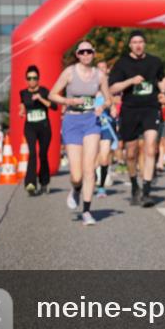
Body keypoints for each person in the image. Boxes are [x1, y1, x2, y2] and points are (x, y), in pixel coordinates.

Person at [49, 41, 113, 226]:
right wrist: (69, 101)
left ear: (93, 54)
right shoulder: (69, 72)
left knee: (89, 170)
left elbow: (109, 99)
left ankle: (86, 211)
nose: (86, 55)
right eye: (82, 52)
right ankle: (76, 189)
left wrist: (102, 105)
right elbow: (52, 94)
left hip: (91, 121)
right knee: (76, 175)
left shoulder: (99, 75)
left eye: (89, 52)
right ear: (77, 54)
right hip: (72, 122)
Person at [109, 31, 165, 207]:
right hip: (129, 110)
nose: (138, 45)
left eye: (141, 41)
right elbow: (112, 88)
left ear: (145, 44)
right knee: (132, 152)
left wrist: (163, 92)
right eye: (134, 42)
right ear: (130, 45)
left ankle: (147, 191)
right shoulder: (122, 64)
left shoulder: (154, 61)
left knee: (150, 148)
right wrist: (130, 81)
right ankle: (135, 185)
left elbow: (162, 78)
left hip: (150, 108)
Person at [18, 65, 57, 195]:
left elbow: (54, 106)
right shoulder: (23, 93)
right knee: (32, 153)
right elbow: (22, 105)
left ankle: (44, 182)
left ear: (38, 79)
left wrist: (40, 98)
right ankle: (30, 183)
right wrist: (22, 111)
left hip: (44, 127)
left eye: (34, 78)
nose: (32, 81)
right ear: (26, 80)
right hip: (30, 127)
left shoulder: (44, 91)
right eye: (29, 78)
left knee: (43, 154)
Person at [94, 62, 119, 198]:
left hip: (105, 127)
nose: (102, 71)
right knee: (93, 157)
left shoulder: (109, 91)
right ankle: (90, 174)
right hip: (91, 127)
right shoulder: (89, 90)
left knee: (104, 157)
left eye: (104, 69)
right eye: (99, 69)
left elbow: (113, 105)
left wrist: (113, 110)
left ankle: (101, 187)